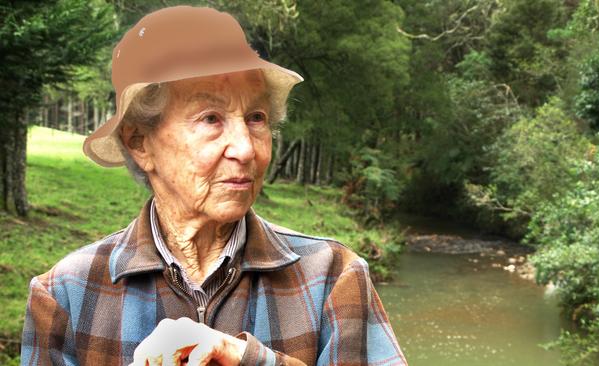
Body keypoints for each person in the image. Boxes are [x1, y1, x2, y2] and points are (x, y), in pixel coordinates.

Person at [20, 6, 405, 366]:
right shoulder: (67, 294)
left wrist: (251, 360)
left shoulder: (332, 276)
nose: (245, 148)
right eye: (210, 118)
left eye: (256, 117)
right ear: (140, 142)